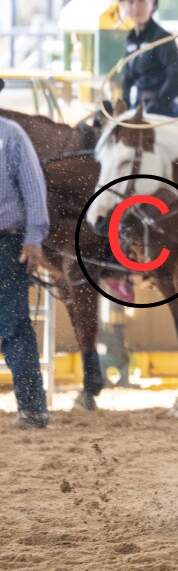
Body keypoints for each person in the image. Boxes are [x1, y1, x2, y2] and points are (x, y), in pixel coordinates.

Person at [0, 117, 51, 429]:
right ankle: (32, 409)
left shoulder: (11, 134)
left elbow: (33, 187)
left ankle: (32, 409)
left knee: (14, 324)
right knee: (14, 324)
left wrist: (33, 238)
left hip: (7, 243)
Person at [116, 0, 178, 118]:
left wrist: (159, 103)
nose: (136, 7)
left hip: (161, 114)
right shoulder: (131, 40)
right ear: (123, 5)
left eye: (142, 0)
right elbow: (128, 79)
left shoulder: (162, 38)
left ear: (153, 3)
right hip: (138, 111)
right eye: (130, 2)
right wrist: (123, 107)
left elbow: (177, 76)